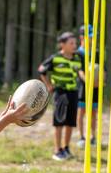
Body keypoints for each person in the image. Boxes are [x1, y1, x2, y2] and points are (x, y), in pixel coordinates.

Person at [39, 32, 83, 161]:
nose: (74, 45)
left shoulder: (78, 58)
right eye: (71, 43)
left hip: (74, 93)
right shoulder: (55, 58)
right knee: (59, 122)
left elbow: (83, 71)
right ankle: (57, 150)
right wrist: (48, 85)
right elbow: (41, 70)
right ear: (62, 45)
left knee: (70, 122)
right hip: (60, 93)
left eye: (75, 43)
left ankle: (66, 147)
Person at [77, 24, 99, 148]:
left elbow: (102, 69)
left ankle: (93, 136)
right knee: (81, 111)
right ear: (82, 37)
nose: (92, 39)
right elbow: (79, 70)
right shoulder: (78, 53)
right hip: (82, 87)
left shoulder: (96, 52)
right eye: (90, 36)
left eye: (93, 37)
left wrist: (100, 81)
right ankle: (82, 137)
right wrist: (88, 81)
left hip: (95, 87)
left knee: (93, 112)